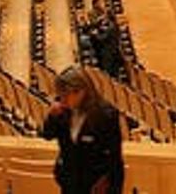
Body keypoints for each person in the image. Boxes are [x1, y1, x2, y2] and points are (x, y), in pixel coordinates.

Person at [41, 66, 125, 194]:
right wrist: (52, 117)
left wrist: (112, 186)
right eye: (60, 95)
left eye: (65, 96)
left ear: (81, 92)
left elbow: (115, 157)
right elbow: (47, 135)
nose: (61, 100)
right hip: (69, 181)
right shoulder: (63, 110)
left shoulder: (106, 115)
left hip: (95, 185)